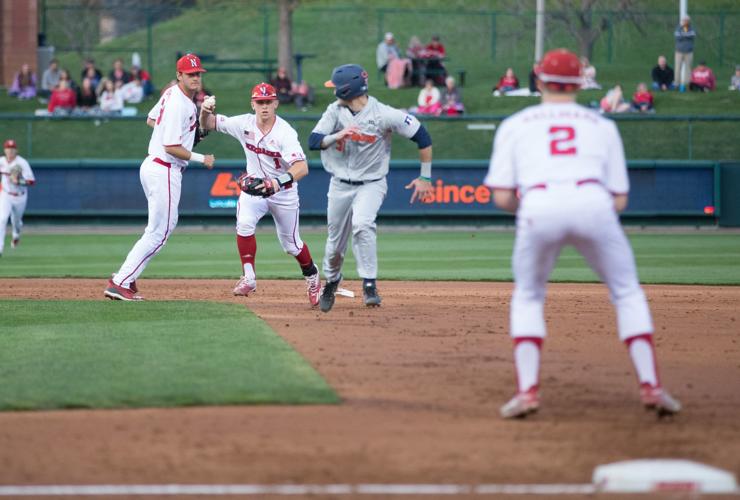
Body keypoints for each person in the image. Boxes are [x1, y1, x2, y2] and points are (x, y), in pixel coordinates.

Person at [484, 48, 681, 420]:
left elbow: (502, 196)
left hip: (539, 204)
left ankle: (527, 392)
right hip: (593, 202)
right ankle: (651, 385)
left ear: (539, 80)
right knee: (626, 292)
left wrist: (536, 208)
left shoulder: (516, 124)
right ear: (581, 83)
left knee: (528, 295)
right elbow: (620, 199)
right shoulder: (602, 125)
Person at [309, 64, 434, 312]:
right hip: (340, 184)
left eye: (335, 87)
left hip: (372, 183)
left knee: (363, 225)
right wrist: (339, 135)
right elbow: (314, 141)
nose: (333, 91)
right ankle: (332, 280)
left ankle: (369, 284)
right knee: (335, 244)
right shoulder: (334, 112)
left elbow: (422, 136)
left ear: (347, 89)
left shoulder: (384, 114)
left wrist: (426, 177)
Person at [104, 53, 215, 301]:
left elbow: (151, 119)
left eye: (198, 74)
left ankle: (127, 279)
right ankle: (120, 281)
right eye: (191, 74)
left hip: (153, 166)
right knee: (160, 232)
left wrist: (190, 126)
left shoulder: (172, 94)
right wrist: (201, 158)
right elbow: (171, 147)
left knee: (157, 229)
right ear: (179, 75)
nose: (196, 78)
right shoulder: (181, 103)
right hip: (165, 166)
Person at [198, 83, 321, 306]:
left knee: (291, 245)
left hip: (283, 192)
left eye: (268, 102)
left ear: (276, 103)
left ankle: (313, 277)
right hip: (255, 188)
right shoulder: (243, 123)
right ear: (252, 104)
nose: (264, 106)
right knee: (244, 225)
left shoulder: (285, 132)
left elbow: (302, 168)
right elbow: (207, 124)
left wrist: (276, 182)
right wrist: (205, 110)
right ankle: (249, 278)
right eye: (260, 102)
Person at [0, 139, 35, 257]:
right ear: (4, 150)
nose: (10, 151)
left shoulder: (22, 163)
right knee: (2, 219)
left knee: (16, 222)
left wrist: (19, 181)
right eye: (8, 148)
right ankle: (0, 248)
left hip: (20, 197)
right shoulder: (1, 161)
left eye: (12, 148)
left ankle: (16, 234)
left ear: (16, 150)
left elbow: (32, 181)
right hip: (5, 195)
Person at [674, 16, 696, 92]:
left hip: (689, 52)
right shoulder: (678, 28)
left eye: (687, 20)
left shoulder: (692, 28)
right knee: (677, 68)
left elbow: (692, 35)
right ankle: (677, 84)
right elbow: (677, 36)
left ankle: (687, 85)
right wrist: (686, 35)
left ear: (689, 21)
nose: (685, 22)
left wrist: (683, 35)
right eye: (684, 20)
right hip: (679, 52)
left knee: (688, 69)